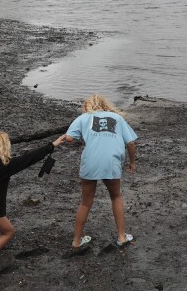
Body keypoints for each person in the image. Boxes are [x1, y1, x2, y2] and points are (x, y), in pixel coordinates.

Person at [54, 94, 137, 250]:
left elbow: (70, 138)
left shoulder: (84, 118)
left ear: (88, 106)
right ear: (105, 105)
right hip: (111, 163)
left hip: (90, 162)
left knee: (85, 202)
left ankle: (76, 241)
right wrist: (132, 162)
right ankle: (121, 236)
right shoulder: (117, 118)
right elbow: (131, 143)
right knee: (116, 196)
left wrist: (82, 137)